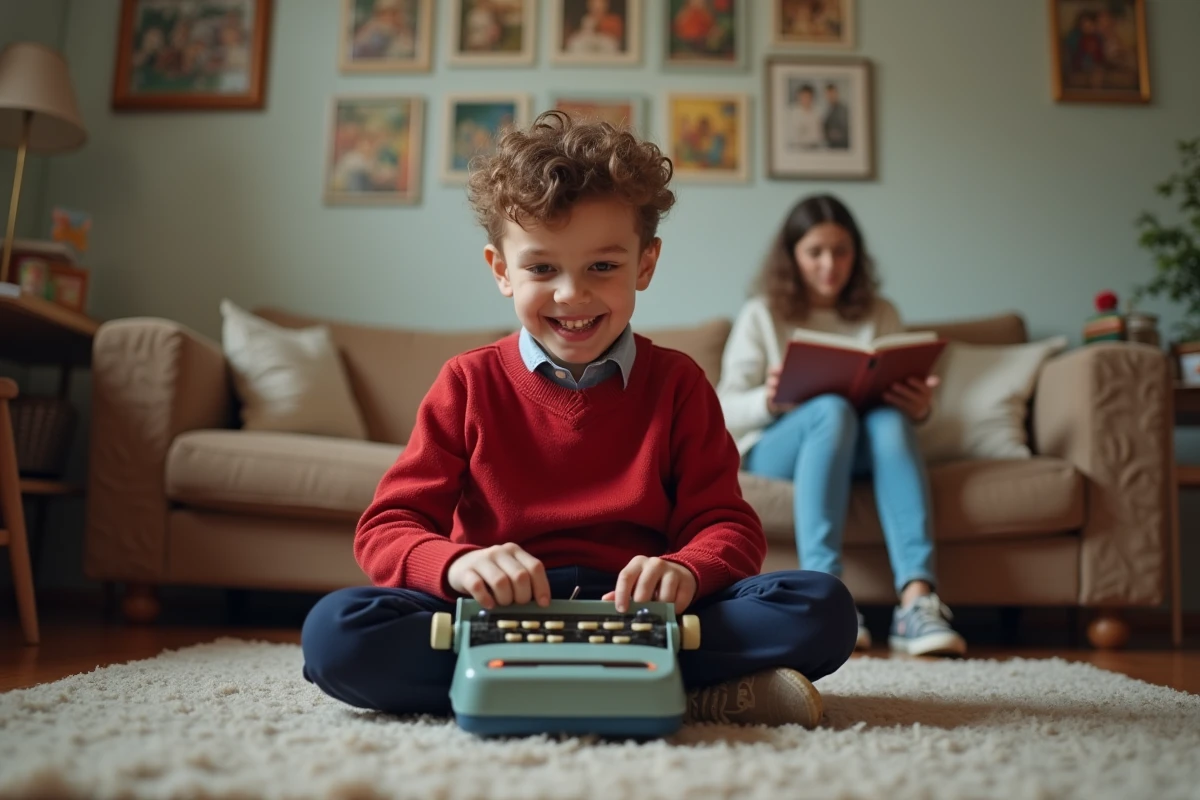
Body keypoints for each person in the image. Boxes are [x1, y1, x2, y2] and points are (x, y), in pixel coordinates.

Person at [301, 112, 857, 730]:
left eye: (602, 267)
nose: (571, 294)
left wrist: (684, 570)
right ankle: (679, 686)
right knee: (336, 634)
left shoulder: (678, 384)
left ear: (644, 265)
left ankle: (545, 684)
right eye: (542, 269)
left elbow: (726, 524)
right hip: (497, 613)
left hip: (642, 611)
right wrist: (458, 565)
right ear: (501, 270)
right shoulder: (467, 381)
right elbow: (389, 526)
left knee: (823, 608)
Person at [716, 194, 967, 658]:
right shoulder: (762, 314)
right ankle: (827, 596)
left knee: (890, 418)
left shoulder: (880, 312)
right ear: (793, 255)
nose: (830, 265)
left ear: (857, 254)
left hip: (863, 445)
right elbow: (723, 407)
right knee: (831, 410)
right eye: (816, 252)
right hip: (780, 448)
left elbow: (897, 392)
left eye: (842, 251)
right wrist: (770, 401)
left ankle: (917, 601)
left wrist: (919, 407)